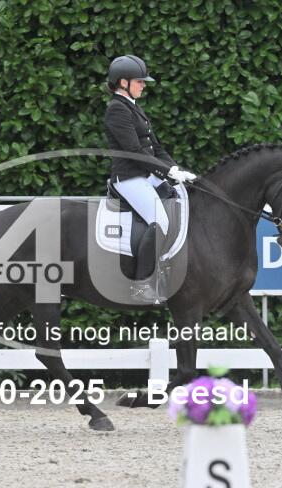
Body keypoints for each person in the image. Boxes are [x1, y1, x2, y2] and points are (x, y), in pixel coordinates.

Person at [103, 55, 197, 302]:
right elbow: (134, 151)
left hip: (147, 175)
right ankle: (141, 285)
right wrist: (166, 172)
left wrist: (177, 170)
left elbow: (156, 148)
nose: (144, 85)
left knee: (182, 201)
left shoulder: (134, 107)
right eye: (140, 81)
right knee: (160, 221)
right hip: (129, 178)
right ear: (123, 82)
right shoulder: (116, 109)